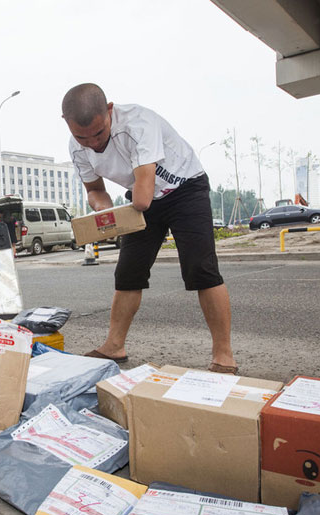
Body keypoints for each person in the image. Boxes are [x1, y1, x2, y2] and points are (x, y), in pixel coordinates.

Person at [62, 83, 237, 374]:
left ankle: (224, 354)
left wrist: (118, 221)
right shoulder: (77, 147)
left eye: (99, 133)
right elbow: (94, 189)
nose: (92, 143)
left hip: (184, 189)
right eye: (82, 137)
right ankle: (114, 346)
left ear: (109, 111)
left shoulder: (138, 123)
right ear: (67, 125)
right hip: (143, 196)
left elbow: (142, 198)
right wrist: (104, 213)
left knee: (201, 269)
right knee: (128, 272)